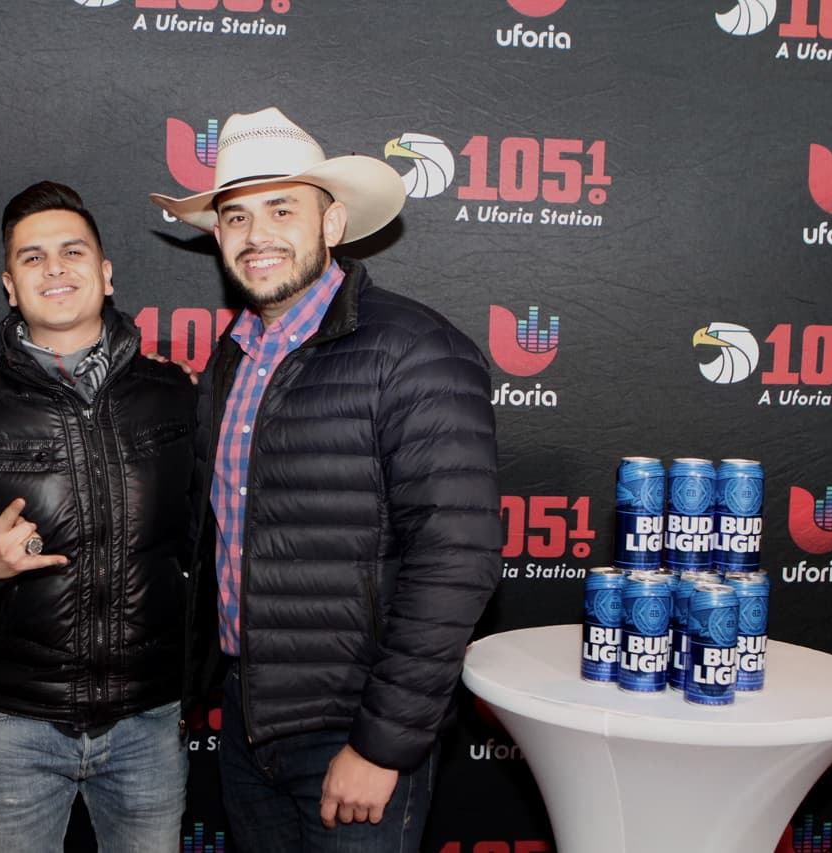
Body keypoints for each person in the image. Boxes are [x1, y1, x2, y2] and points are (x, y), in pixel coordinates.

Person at [149, 107, 502, 852]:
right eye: (237, 216)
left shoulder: (415, 351)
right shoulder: (234, 356)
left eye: (283, 209)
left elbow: (455, 559)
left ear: (332, 223)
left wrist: (381, 745)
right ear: (218, 236)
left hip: (354, 728)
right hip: (249, 721)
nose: (258, 234)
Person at [0, 181, 195, 853]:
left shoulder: (174, 396)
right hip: (13, 728)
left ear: (105, 273)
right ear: (9, 287)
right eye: (32, 257)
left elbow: (208, 544)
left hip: (148, 722)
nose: (54, 268)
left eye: (72, 252)